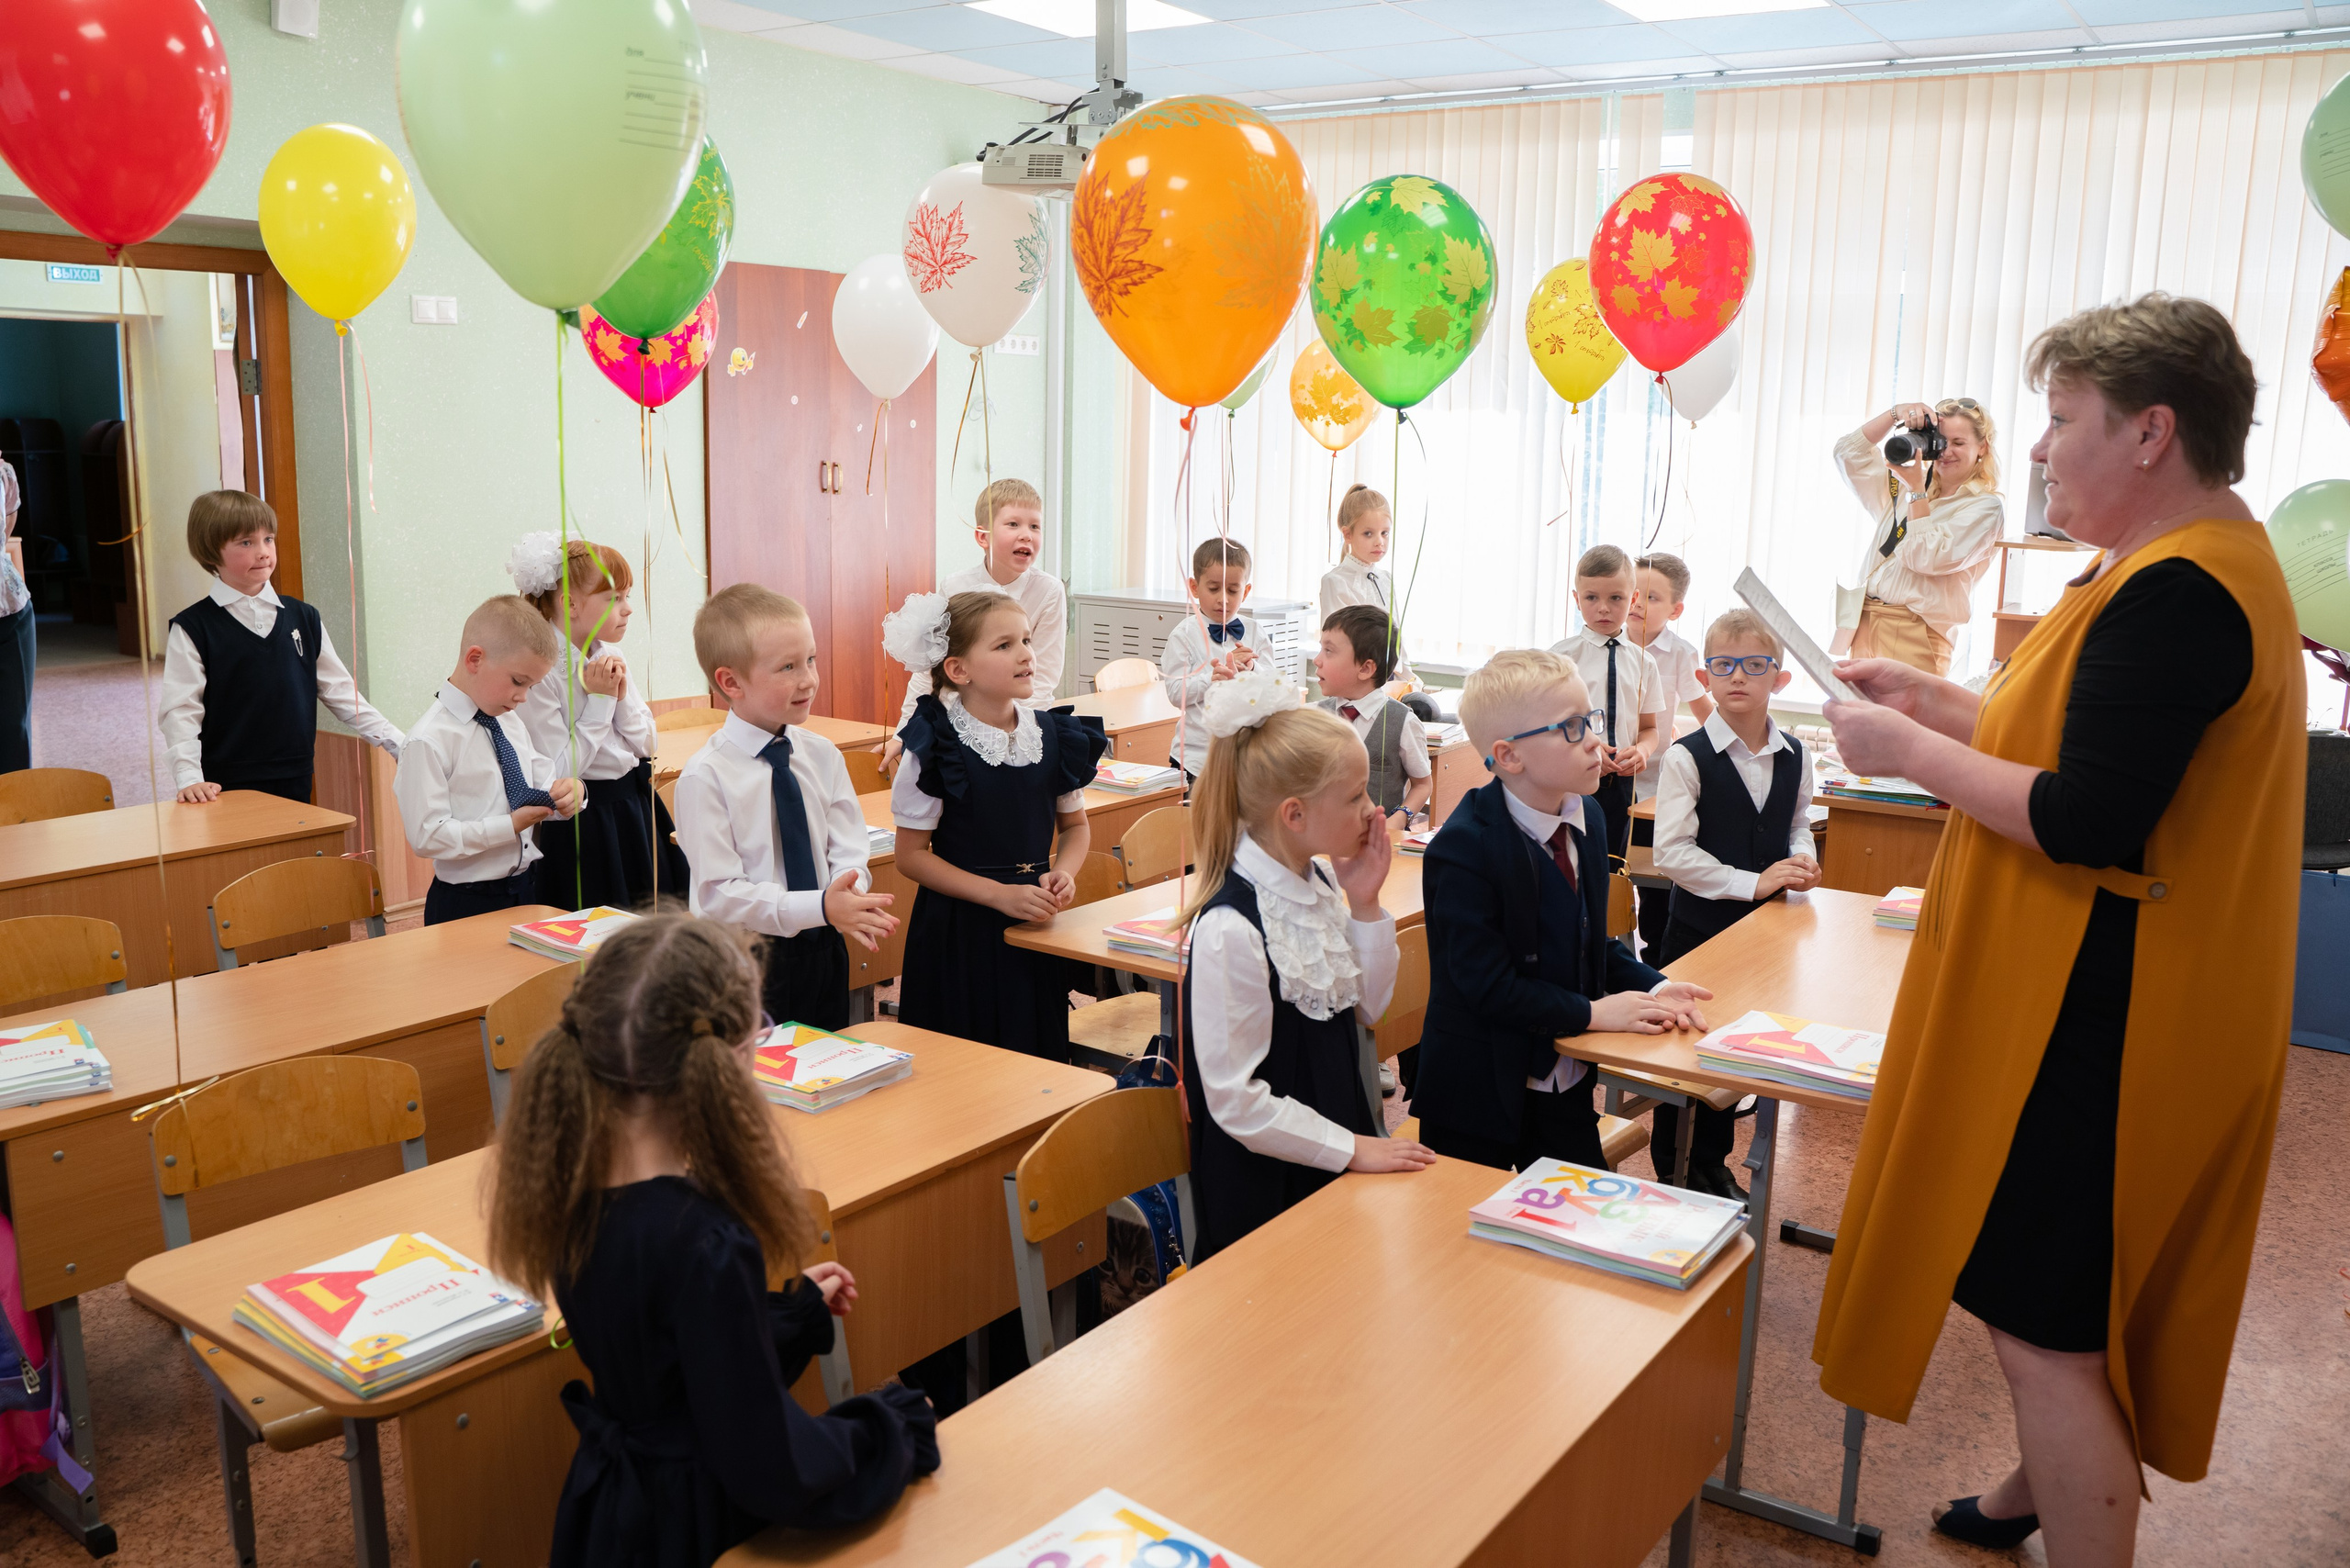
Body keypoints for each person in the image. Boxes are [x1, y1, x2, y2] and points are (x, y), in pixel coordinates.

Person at [1813, 295, 2304, 1567]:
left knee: (2047, 1326)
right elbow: (2099, 751)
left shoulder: (2177, 594)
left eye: (2060, 420)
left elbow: (2088, 815)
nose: (2037, 448)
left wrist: (1906, 750)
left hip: (2107, 1015)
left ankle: (2071, 1515)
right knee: (2055, 1293)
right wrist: (1940, 700)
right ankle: (2030, 1496)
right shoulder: (2172, 568)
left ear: (2151, 432)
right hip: (2117, 985)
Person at [485, 913, 938, 1568]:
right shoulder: (706, 1241)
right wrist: (890, 1428)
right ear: (727, 1062)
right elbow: (770, 1468)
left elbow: (672, 1362)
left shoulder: (567, 1188)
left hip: (611, 1510)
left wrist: (785, 1315)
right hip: (694, 1526)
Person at [1413, 649, 1712, 1172]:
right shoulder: (1464, 848)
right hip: (1478, 1096)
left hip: (1565, 1083)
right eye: (1573, 727)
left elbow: (1586, 942)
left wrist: (1654, 985)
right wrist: (1597, 1013)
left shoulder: (1589, 817)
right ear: (1509, 756)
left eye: (1592, 719)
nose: (1597, 740)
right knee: (1470, 1247)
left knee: (1579, 1229)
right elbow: (1487, 988)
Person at [1172, 670, 1434, 1260]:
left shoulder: (1311, 880)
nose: (1374, 811)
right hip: (1270, 1189)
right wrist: (1352, 1149)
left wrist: (1363, 901)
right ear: (1294, 815)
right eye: (1356, 797)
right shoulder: (1230, 928)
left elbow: (1367, 1007)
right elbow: (1237, 1101)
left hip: (1333, 1151)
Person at [885, 589, 1105, 1060]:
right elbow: (910, 857)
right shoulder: (935, 743)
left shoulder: (1053, 734)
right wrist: (997, 895)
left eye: (1025, 640)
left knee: (1033, 1054)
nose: (1026, 653)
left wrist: (1065, 872)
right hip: (958, 932)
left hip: (1033, 921)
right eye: (1004, 645)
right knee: (963, 1062)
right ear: (959, 670)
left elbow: (1076, 828)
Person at [1648, 608, 1820, 1198]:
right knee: (1689, 1053)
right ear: (1704, 678)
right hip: (1698, 933)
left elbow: (1798, 822)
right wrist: (1755, 882)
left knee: (1740, 1050)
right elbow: (1672, 853)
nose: (1737, 677)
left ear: (1780, 678)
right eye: (1723, 665)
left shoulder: (1796, 753)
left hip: (1768, 936)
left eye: (1754, 665)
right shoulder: (1685, 755)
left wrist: (1800, 858)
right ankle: (1675, 1167)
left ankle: (1713, 1164)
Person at [675, 585, 896, 1032]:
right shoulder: (706, 776)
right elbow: (720, 894)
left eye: (811, 659)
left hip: (824, 942)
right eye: (788, 667)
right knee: (755, 1086)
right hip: (745, 961)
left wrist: (845, 890)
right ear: (731, 682)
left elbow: (849, 845)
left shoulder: (821, 754)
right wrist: (820, 905)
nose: (809, 679)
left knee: (826, 1064)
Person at [160, 490, 403, 805]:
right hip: (223, 782)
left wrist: (397, 742)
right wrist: (189, 777)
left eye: (268, 539)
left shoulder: (304, 617)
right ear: (211, 552)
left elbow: (341, 691)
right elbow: (181, 710)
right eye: (246, 542)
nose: (263, 552)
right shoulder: (193, 627)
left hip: (294, 772)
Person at [510, 533, 686, 912]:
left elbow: (648, 744)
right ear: (571, 604)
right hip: (585, 820)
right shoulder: (542, 671)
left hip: (635, 805)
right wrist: (602, 702)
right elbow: (559, 772)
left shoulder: (609, 653)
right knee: (599, 930)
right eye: (614, 599)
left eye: (627, 597)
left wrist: (618, 698)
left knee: (653, 922)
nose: (627, 609)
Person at [395, 596, 583, 925]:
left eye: (532, 686)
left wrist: (573, 791)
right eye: (518, 681)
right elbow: (428, 837)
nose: (523, 697)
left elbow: (542, 784)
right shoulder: (428, 740)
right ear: (475, 659)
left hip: (525, 889)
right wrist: (509, 826)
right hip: (465, 902)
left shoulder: (509, 721)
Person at [881, 478, 1063, 769]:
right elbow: (929, 670)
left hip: (1022, 727)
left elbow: (1042, 679)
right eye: (1013, 524)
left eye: (1035, 526)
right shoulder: (955, 586)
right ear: (983, 537)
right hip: (959, 728)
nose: (1026, 535)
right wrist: (905, 732)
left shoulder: (1049, 591)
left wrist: (1014, 738)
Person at [1831, 397, 2005, 677]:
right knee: (1857, 718)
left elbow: (1924, 556)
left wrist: (1916, 490)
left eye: (1958, 443)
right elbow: (1848, 454)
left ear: (1982, 446)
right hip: (1863, 624)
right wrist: (1894, 414)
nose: (1946, 451)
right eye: (1940, 441)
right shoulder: (1903, 489)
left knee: (1898, 721)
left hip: (1917, 633)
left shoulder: (1984, 507)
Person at [1546, 543, 1664, 860]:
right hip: (1571, 782)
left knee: (1611, 869)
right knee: (1569, 864)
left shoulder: (1644, 662)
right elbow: (1545, 727)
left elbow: (1651, 729)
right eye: (1591, 597)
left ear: (1633, 599)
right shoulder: (1560, 658)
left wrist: (1642, 750)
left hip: (1622, 786)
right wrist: (1584, 744)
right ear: (1576, 599)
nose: (1603, 608)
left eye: (1616, 598)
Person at [1628, 550, 1710, 959]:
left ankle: (1656, 961)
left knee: (1653, 887)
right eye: (1633, 592)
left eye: (1652, 597)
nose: (1637, 603)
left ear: (1676, 610)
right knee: (1607, 876)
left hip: (1654, 788)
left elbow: (1704, 713)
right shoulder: (1603, 645)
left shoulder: (1680, 653)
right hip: (1601, 778)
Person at [1160, 536, 1262, 787]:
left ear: (1246, 591)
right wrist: (1211, 679)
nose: (1224, 599)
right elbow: (1176, 693)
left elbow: (1273, 683)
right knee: (1197, 824)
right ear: (1194, 587)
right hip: (1196, 759)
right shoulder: (1184, 635)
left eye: (1233, 590)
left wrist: (1252, 667)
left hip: (1245, 757)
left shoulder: (1255, 632)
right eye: (1214, 588)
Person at [1313, 604, 1429, 823]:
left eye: (1328, 651)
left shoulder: (1403, 722)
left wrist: (1401, 817)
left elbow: (1423, 784)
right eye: (1321, 649)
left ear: (1365, 669)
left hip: (1377, 842)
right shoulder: (1314, 715)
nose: (1316, 660)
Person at [1317, 484, 1416, 687]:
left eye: (1385, 533)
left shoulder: (1386, 578)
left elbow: (1396, 634)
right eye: (1369, 534)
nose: (1379, 542)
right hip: (1356, 682)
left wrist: (1409, 677)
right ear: (1347, 535)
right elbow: (1340, 644)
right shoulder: (1335, 581)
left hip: (1389, 680)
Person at [0, 456, 29, 774]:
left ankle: (15, 818)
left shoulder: (3, 472)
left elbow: (4, 532)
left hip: (10, 610)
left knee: (12, 726)